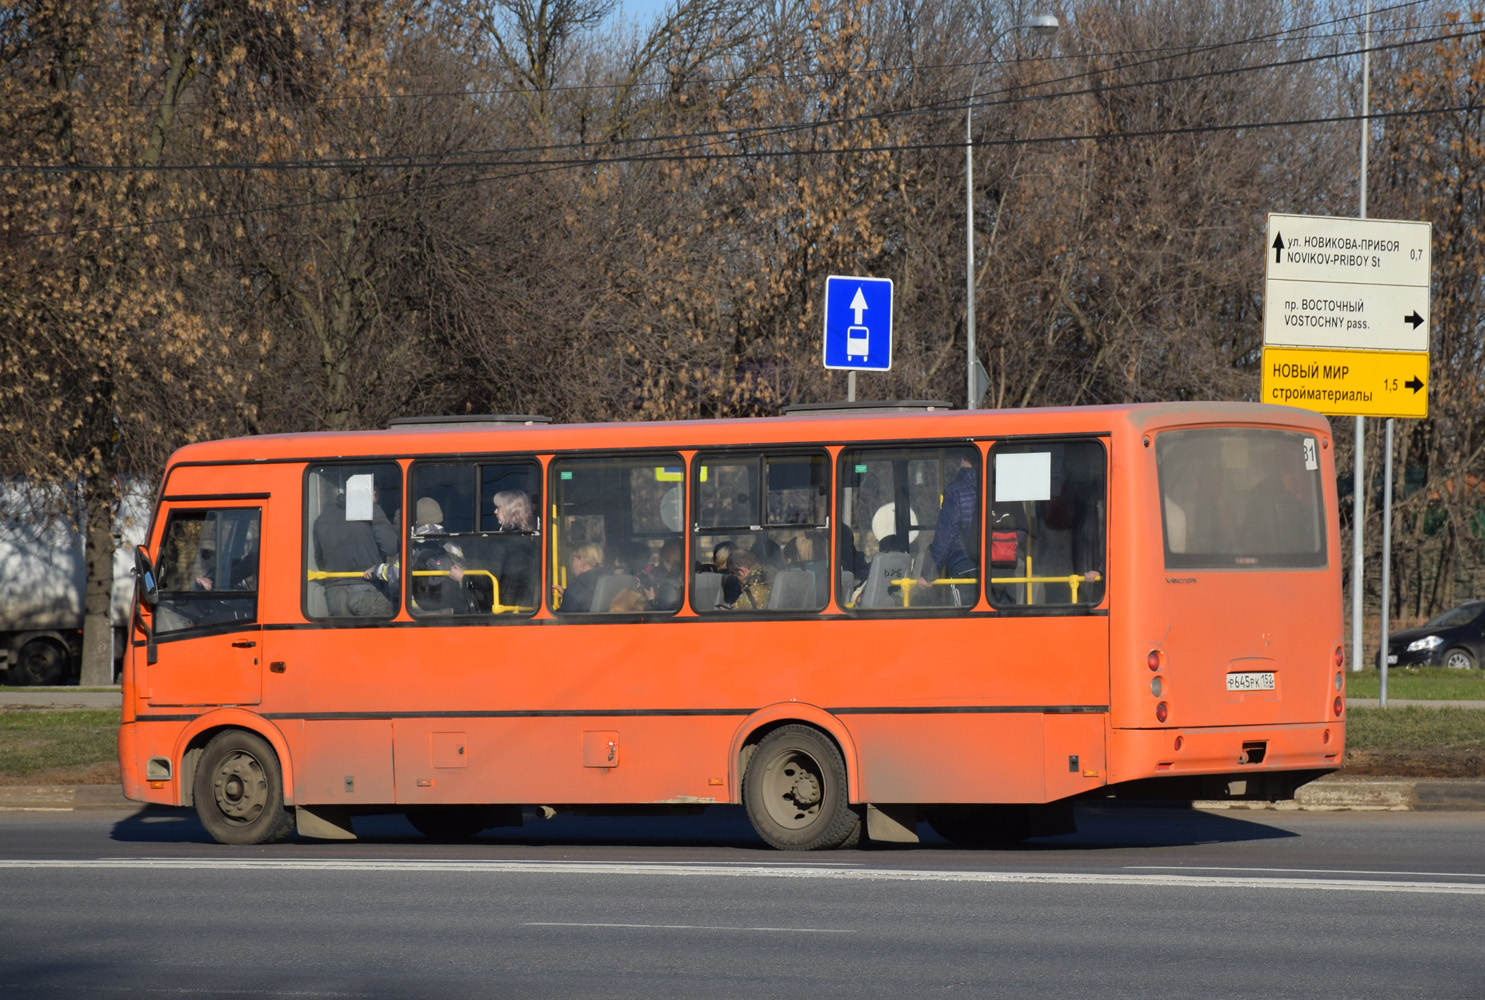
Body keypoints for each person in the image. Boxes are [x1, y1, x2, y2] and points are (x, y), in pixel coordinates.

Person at [367, 497, 478, 615]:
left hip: (419, 611)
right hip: (448, 609)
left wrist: (375, 570)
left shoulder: (413, 546)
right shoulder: (452, 545)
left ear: (417, 519)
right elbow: (462, 574)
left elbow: (395, 573)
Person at [313, 483, 398, 616]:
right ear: (373, 492)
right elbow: (391, 547)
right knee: (381, 634)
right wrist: (374, 508)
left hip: (334, 595)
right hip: (367, 588)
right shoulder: (371, 511)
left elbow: (319, 559)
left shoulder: (323, 518)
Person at [920, 456, 979, 607]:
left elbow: (946, 535)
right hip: (997, 567)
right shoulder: (1000, 486)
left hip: (964, 566)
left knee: (964, 621)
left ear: (963, 459)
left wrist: (928, 574)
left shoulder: (955, 491)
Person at [555, 541, 603, 612]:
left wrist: (569, 596)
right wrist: (565, 595)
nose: (572, 564)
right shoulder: (608, 583)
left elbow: (563, 620)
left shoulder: (573, 593)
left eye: (573, 560)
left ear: (581, 562)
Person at [640, 537, 684, 611]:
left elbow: (664, 614)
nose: (662, 562)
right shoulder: (653, 573)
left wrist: (651, 601)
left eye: (666, 560)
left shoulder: (677, 582)